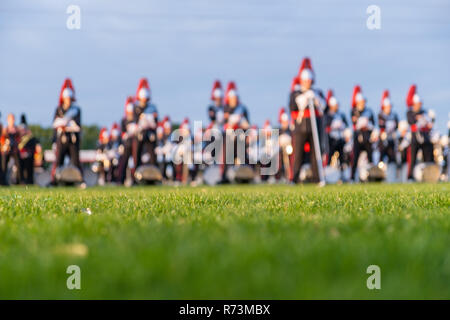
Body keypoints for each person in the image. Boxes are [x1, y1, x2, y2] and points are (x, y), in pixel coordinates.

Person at [288, 57, 326, 184]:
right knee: (297, 153)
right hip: (301, 127)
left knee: (316, 153)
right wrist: (303, 98)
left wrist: (315, 99)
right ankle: (295, 178)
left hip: (315, 125)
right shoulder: (295, 93)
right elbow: (292, 107)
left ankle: (317, 178)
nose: (308, 83)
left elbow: (324, 108)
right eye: (305, 80)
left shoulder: (317, 92)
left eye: (309, 80)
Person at [50, 78, 83, 185]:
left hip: (73, 139)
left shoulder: (76, 110)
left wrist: (66, 124)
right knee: (58, 161)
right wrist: (54, 140)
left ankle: (80, 180)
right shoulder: (58, 109)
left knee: (76, 161)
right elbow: (55, 124)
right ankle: (54, 181)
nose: (68, 100)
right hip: (62, 138)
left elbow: (77, 126)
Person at [222, 81, 250, 182]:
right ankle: (224, 176)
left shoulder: (242, 108)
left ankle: (243, 177)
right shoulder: (225, 108)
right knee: (226, 156)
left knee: (242, 156)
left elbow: (247, 124)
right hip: (228, 136)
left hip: (240, 136)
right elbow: (223, 123)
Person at [406, 84, 434, 180]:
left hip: (425, 138)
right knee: (412, 159)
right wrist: (420, 122)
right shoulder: (410, 113)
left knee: (428, 158)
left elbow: (429, 125)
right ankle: (410, 177)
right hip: (415, 139)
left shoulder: (424, 112)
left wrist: (425, 122)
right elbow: (412, 125)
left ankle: (429, 176)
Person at [350, 85, 375, 181]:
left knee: (370, 157)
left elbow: (372, 123)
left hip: (367, 137)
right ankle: (352, 177)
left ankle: (371, 176)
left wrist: (368, 125)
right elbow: (355, 123)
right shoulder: (354, 111)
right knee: (355, 158)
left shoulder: (369, 111)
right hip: (358, 137)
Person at [134, 78, 158, 168]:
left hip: (150, 132)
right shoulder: (136, 108)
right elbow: (135, 121)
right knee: (137, 153)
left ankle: (154, 172)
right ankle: (136, 172)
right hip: (140, 132)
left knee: (152, 153)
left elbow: (156, 121)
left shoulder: (152, 107)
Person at [324, 90, 348, 177]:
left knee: (342, 157)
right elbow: (326, 126)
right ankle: (327, 174)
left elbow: (346, 125)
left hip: (340, 139)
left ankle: (342, 174)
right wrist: (333, 126)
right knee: (330, 155)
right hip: (331, 139)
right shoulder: (327, 115)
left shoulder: (341, 115)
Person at [118, 96, 138, 185]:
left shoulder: (136, 120)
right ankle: (121, 180)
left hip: (135, 144)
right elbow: (122, 134)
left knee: (135, 162)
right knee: (124, 162)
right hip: (126, 145)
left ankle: (136, 180)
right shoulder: (123, 120)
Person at [378, 90, 399, 165]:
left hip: (391, 138)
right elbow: (381, 125)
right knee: (382, 154)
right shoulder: (381, 115)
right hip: (384, 139)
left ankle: (392, 171)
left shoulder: (394, 115)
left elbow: (397, 125)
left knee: (392, 156)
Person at [17, 114, 39, 184]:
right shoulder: (18, 138)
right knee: (20, 167)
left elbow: (34, 147)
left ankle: (30, 181)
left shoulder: (30, 138)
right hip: (20, 156)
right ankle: (21, 181)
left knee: (29, 168)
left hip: (29, 155)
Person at [1, 113, 21, 184]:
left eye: (12, 119)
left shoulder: (17, 129)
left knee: (18, 164)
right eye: (10, 119)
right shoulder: (5, 129)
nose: (11, 120)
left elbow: (19, 139)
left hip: (14, 149)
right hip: (6, 150)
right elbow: (2, 139)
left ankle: (19, 180)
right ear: (7, 120)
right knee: (4, 165)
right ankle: (3, 181)